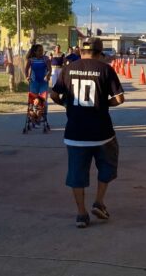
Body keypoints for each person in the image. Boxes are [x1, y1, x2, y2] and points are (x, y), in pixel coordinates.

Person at [50, 38, 125, 228]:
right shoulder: (105, 69)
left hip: (75, 132)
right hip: (102, 132)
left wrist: (68, 104)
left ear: (80, 51)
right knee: (107, 166)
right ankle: (99, 202)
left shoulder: (68, 68)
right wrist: (101, 104)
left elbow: (54, 95)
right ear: (99, 53)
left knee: (77, 173)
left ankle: (81, 214)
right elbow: (119, 98)